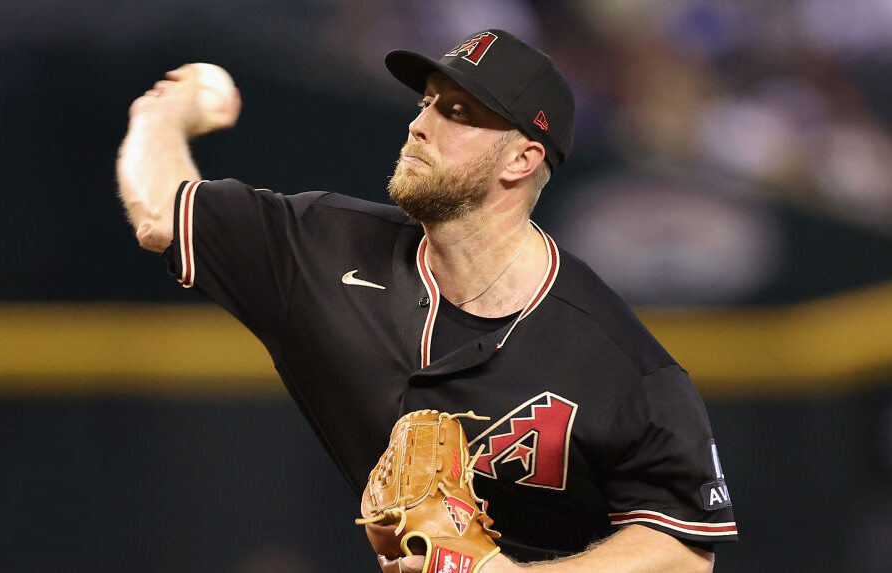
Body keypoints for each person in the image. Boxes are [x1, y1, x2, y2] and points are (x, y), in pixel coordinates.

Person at [117, 29, 737, 573]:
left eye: (459, 112)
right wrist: (161, 116)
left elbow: (683, 550)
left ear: (522, 158)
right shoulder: (322, 247)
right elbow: (159, 213)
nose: (420, 123)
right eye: (427, 102)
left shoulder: (619, 362)